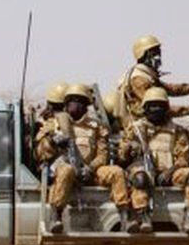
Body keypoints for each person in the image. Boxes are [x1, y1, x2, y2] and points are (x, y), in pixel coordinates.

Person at [35, 84, 137, 233]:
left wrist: (90, 168)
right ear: (66, 104)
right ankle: (56, 217)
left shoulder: (96, 127)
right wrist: (51, 142)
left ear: (85, 106)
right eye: (71, 101)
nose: (75, 105)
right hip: (67, 170)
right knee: (66, 170)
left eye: (79, 101)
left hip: (91, 171)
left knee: (116, 172)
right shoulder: (54, 124)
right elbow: (39, 154)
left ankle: (124, 217)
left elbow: (103, 155)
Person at [120, 87, 189, 233]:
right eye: (152, 106)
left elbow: (183, 157)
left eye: (159, 105)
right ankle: (144, 218)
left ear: (166, 108)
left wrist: (171, 171)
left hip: (169, 172)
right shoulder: (135, 128)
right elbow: (122, 156)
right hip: (143, 170)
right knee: (139, 179)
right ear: (145, 108)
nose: (156, 109)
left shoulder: (176, 130)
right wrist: (131, 147)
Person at [116, 34, 189, 129]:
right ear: (143, 55)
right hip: (143, 124)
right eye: (154, 53)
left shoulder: (148, 76)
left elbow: (172, 89)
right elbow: (158, 108)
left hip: (153, 121)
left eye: (158, 52)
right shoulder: (139, 79)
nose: (158, 57)